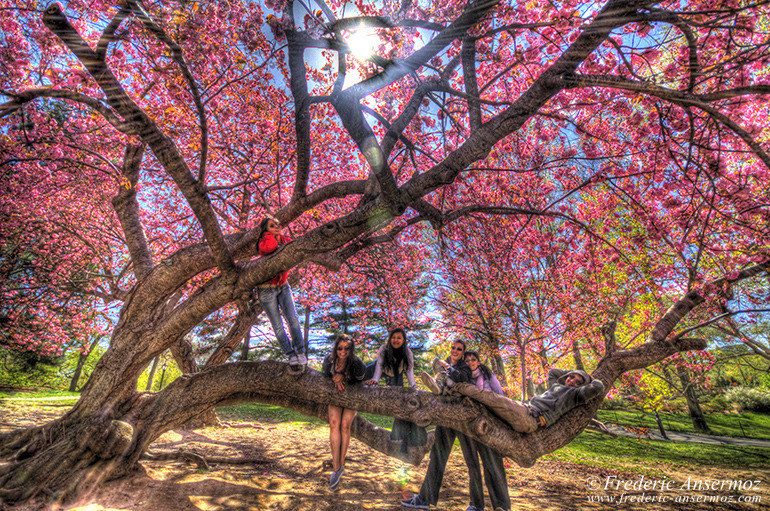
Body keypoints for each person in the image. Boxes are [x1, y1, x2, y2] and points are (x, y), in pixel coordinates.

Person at [402, 340, 474, 510]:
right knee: (437, 457)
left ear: (463, 352)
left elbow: (463, 377)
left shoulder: (464, 366)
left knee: (471, 461)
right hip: (446, 415)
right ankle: (425, 499)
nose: (455, 350)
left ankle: (476, 505)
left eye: (459, 349)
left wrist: (448, 368)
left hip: (463, 417)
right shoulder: (446, 364)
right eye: (453, 347)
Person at [453, 367, 605, 433]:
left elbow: (598, 387)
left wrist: (590, 378)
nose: (572, 381)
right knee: (485, 404)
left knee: (491, 397)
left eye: (578, 382)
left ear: (581, 387)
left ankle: (453, 385)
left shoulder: (575, 396)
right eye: (571, 377)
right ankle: (451, 391)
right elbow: (553, 372)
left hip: (530, 418)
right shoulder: (556, 386)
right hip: (524, 409)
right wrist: (575, 372)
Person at [461, 351, 511, 511]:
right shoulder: (463, 377)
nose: (470, 362)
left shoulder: (488, 375)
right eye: (467, 360)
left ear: (478, 361)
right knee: (473, 466)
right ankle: (476, 505)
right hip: (471, 424)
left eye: (473, 359)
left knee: (493, 465)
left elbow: (500, 397)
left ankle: (502, 505)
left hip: (491, 424)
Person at [365, 328, 427, 452]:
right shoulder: (384, 348)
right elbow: (379, 366)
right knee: (363, 372)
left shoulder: (407, 352)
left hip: (396, 375)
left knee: (401, 401)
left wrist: (413, 387)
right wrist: (375, 381)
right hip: (380, 368)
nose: (396, 340)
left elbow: (409, 371)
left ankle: (403, 438)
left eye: (399, 337)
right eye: (393, 337)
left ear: (403, 340)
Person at [256, 217, 306, 368]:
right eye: (272, 226)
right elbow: (269, 249)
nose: (277, 226)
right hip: (266, 290)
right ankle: (290, 355)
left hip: (283, 286)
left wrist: (279, 237)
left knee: (294, 319)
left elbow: (295, 250)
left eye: (278, 224)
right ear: (266, 230)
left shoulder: (285, 240)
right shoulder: (265, 242)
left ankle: (300, 351)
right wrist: (271, 236)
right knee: (278, 326)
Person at [322, 334, 366, 491]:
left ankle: (341, 464)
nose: (343, 351)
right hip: (335, 394)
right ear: (336, 348)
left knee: (345, 425)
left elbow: (359, 380)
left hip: (352, 394)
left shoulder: (357, 364)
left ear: (351, 349)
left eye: (347, 348)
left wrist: (343, 377)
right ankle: (336, 468)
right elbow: (325, 376)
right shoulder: (329, 361)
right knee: (334, 424)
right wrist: (335, 377)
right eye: (340, 348)